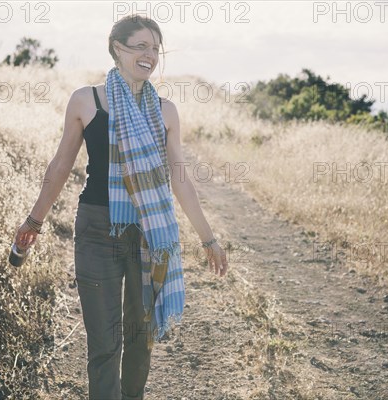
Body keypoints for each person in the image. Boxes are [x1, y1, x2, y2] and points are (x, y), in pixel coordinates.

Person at [13, 14, 229, 400]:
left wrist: (208, 239)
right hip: (97, 230)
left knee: (140, 338)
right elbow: (61, 164)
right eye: (141, 46)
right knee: (104, 343)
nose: (150, 55)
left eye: (156, 49)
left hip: (149, 234)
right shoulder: (86, 100)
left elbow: (179, 177)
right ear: (117, 48)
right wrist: (35, 219)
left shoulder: (165, 111)